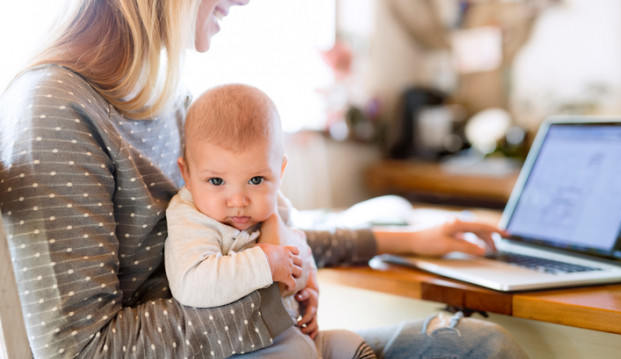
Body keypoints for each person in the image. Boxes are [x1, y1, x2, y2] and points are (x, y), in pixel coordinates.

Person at [0, 0, 529, 358]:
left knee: (474, 343)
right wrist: (279, 297)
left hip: (258, 340)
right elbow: (81, 349)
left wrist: (399, 240)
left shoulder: (166, 98)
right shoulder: (55, 108)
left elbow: (243, 228)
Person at [165, 83, 375, 358]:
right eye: (216, 181)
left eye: (256, 180)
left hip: (291, 332)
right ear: (187, 174)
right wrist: (265, 260)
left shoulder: (276, 205)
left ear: (280, 171)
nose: (238, 200)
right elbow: (191, 283)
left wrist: (310, 287)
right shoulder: (190, 216)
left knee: (351, 344)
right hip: (239, 347)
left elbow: (299, 246)